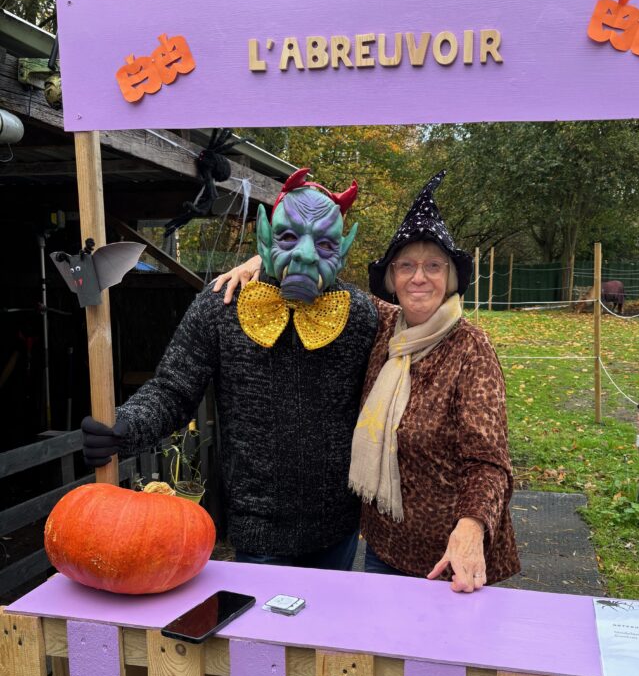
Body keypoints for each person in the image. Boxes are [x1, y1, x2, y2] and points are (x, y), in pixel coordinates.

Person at [216, 171, 520, 591]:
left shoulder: (471, 347)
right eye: (407, 266)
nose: (419, 277)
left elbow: (489, 461)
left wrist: (471, 528)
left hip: (450, 554)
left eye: (434, 265)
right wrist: (261, 262)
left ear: (450, 277)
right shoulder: (381, 325)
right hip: (383, 547)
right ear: (392, 278)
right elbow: (317, 282)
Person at [81, 168, 378, 570]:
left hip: (337, 528)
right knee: (260, 633)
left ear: (343, 249)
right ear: (267, 238)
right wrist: (124, 427)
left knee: (323, 633)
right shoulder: (221, 304)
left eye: (324, 243)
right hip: (258, 530)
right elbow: (173, 389)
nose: (306, 255)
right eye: (289, 237)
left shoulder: (362, 315)